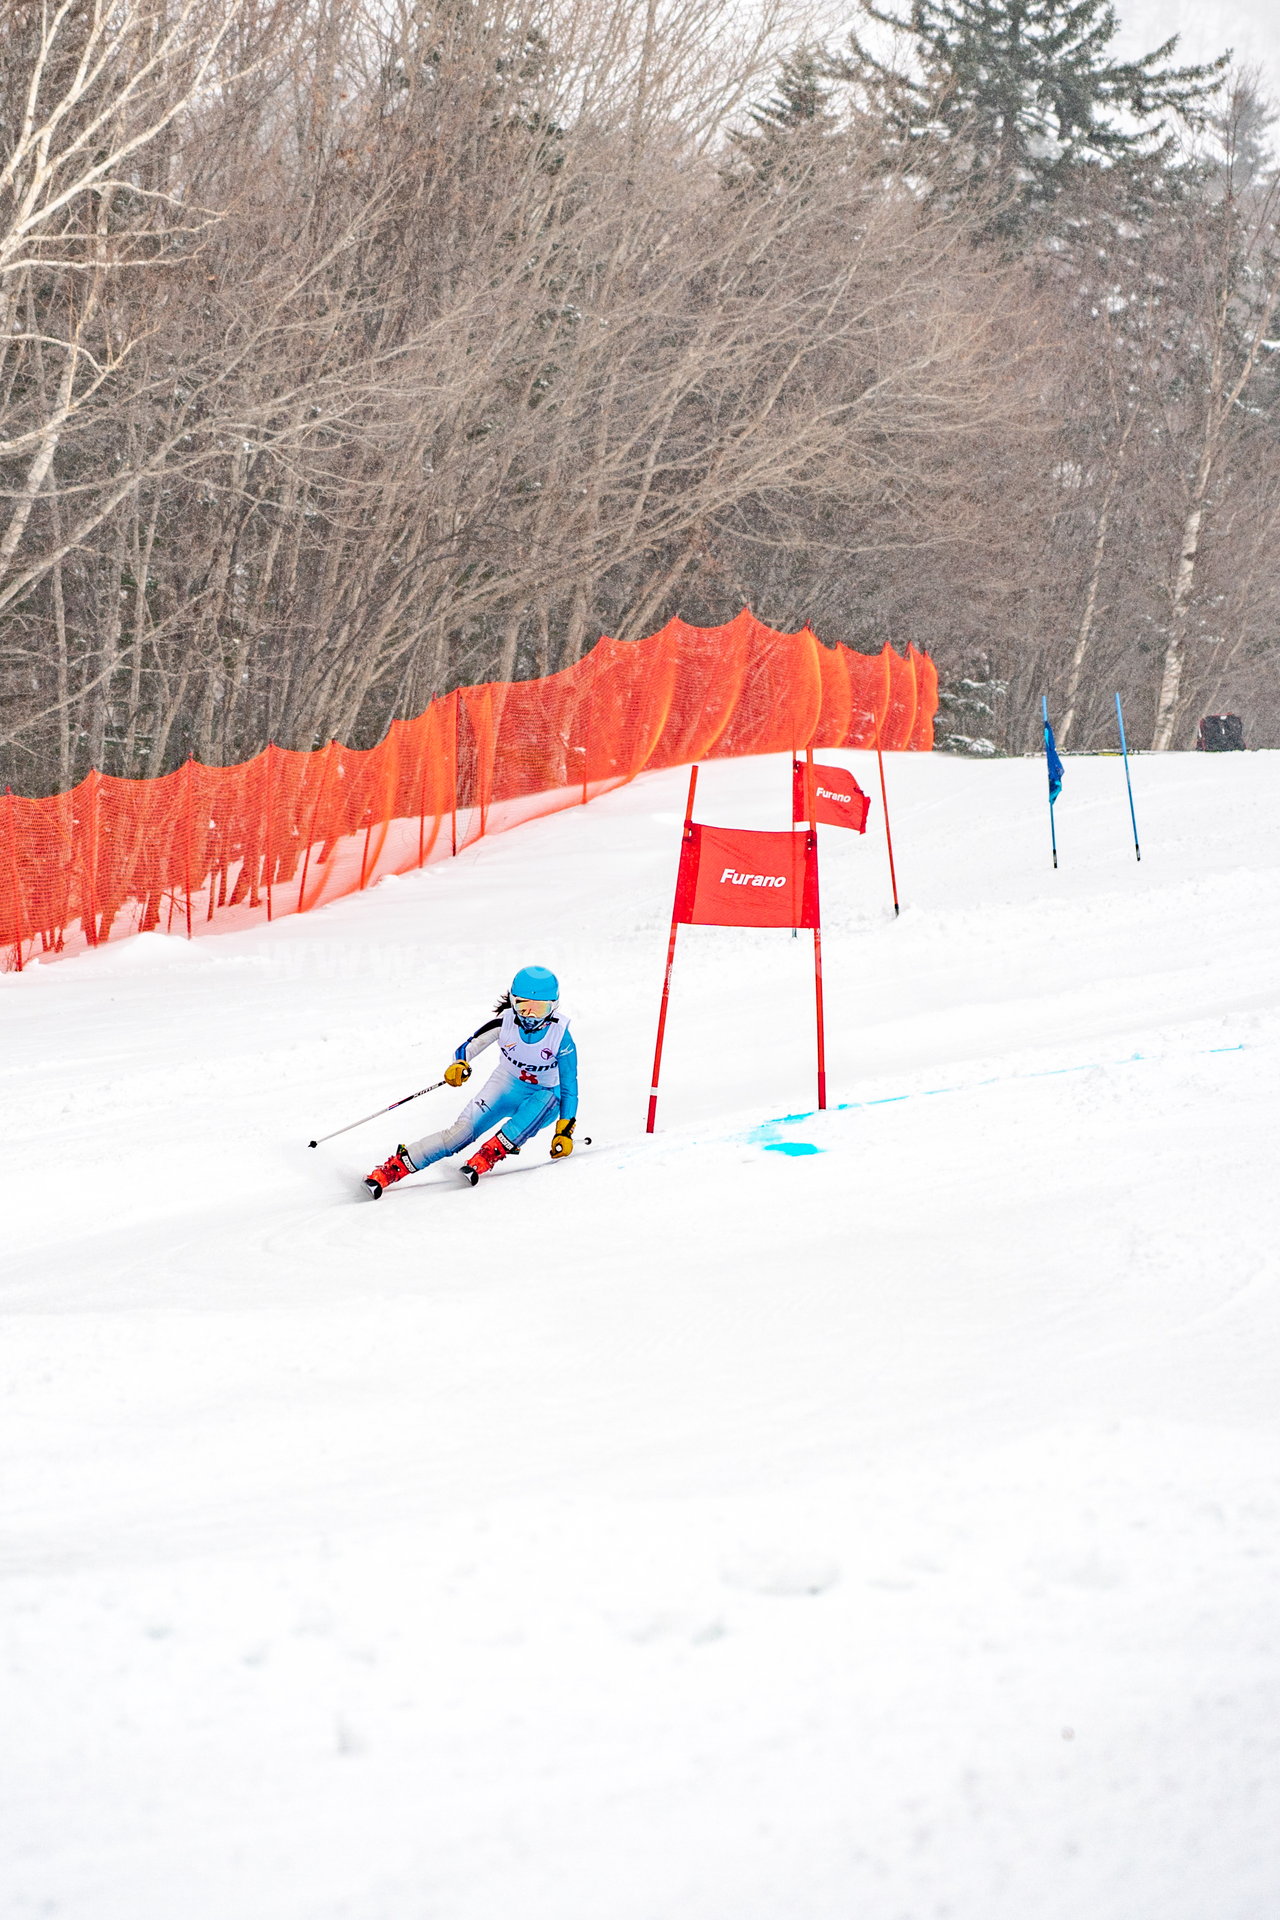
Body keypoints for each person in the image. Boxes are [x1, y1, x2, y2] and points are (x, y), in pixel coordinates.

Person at [364, 965, 578, 1195]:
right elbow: (469, 1046)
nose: (530, 1016)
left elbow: (569, 1088)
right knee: (459, 1135)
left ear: (553, 1007)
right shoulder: (504, 1023)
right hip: (508, 1084)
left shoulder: (561, 1037)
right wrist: (460, 1064)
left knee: (543, 1103)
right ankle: (392, 1169)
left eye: (540, 1008)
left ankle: (488, 1155)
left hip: (545, 1094)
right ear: (513, 1002)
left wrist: (563, 1131)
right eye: (523, 1007)